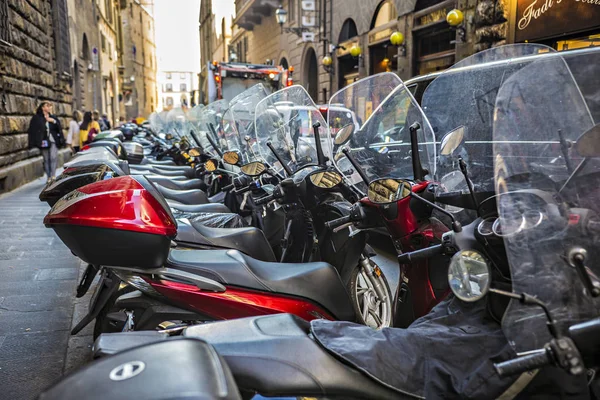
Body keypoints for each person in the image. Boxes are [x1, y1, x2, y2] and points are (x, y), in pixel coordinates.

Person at [27, 101, 66, 183]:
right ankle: (48, 177)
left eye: (50, 106)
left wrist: (53, 121)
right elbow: (34, 130)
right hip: (44, 141)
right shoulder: (37, 118)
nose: (49, 107)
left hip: (53, 141)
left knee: (53, 157)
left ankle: (53, 176)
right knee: (46, 159)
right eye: (47, 106)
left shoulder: (53, 117)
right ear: (42, 107)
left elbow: (59, 128)